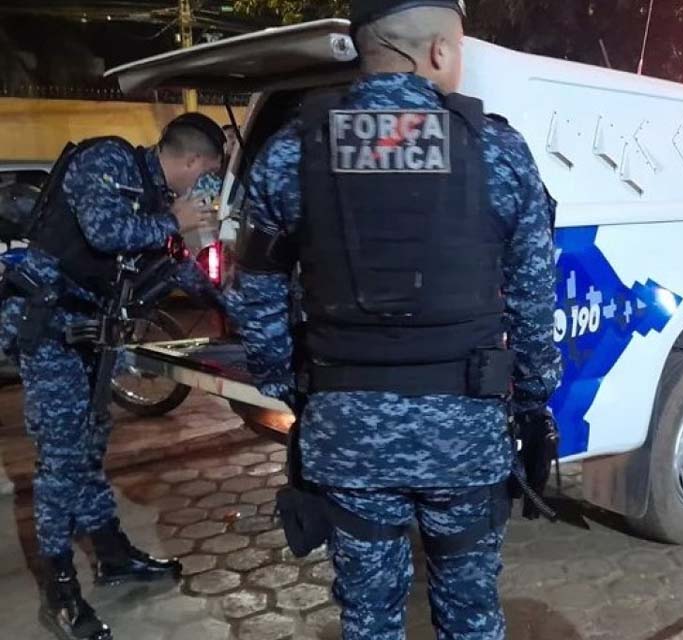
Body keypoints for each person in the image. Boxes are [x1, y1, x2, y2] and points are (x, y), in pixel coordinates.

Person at [227, 1, 561, 638]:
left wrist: (285, 381)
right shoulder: (497, 150)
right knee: (471, 619)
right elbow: (533, 300)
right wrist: (534, 398)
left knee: (369, 620)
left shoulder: (294, 149)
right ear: (439, 51)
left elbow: (256, 291)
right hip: (463, 434)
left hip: (347, 434)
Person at [0, 113, 224, 640]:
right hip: (50, 326)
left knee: (89, 448)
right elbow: (105, 233)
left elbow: (175, 269)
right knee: (61, 461)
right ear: (192, 162)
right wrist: (177, 220)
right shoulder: (108, 159)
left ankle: (112, 554)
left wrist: (239, 306)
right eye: (208, 174)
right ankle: (59, 591)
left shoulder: (154, 198)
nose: (205, 187)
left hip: (93, 334)